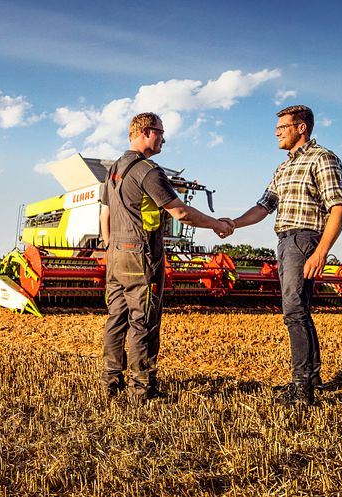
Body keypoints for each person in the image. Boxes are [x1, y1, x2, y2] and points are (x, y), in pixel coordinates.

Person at [100, 112, 234, 404]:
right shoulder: (149, 171)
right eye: (160, 132)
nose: (164, 138)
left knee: (116, 319)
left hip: (116, 255)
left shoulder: (112, 171)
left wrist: (111, 247)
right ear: (146, 132)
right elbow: (180, 212)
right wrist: (217, 224)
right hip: (141, 256)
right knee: (143, 321)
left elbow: (105, 214)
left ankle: (111, 381)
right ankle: (141, 389)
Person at [225, 104, 342, 406]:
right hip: (285, 242)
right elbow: (264, 206)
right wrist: (234, 224)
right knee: (299, 310)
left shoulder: (323, 159)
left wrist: (321, 252)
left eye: (283, 127)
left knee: (294, 311)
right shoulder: (283, 167)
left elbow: (339, 207)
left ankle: (302, 388)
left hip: (305, 240)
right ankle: (312, 377)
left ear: (301, 127)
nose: (277, 132)